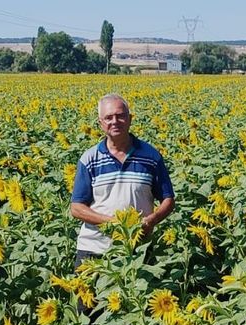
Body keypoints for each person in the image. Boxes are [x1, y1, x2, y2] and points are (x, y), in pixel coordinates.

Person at [70, 93, 175, 271]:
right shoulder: (89, 159)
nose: (115, 121)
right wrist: (112, 223)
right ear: (100, 123)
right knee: (89, 298)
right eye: (108, 117)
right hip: (95, 249)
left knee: (138, 296)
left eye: (120, 116)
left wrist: (152, 220)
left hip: (137, 247)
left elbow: (168, 199)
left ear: (130, 119)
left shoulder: (151, 156)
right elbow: (77, 208)